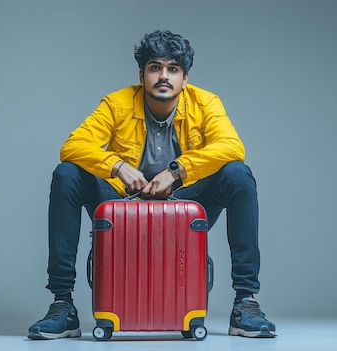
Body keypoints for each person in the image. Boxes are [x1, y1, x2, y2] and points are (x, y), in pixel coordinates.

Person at [27, 29, 276, 340]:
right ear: (142, 74)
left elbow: (232, 146)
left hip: (184, 203)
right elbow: (73, 145)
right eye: (155, 67)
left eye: (173, 69)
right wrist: (116, 166)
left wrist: (177, 171)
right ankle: (62, 305)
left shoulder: (206, 103)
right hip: (122, 203)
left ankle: (245, 303)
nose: (163, 76)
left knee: (239, 174)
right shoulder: (116, 103)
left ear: (185, 79)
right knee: (67, 174)